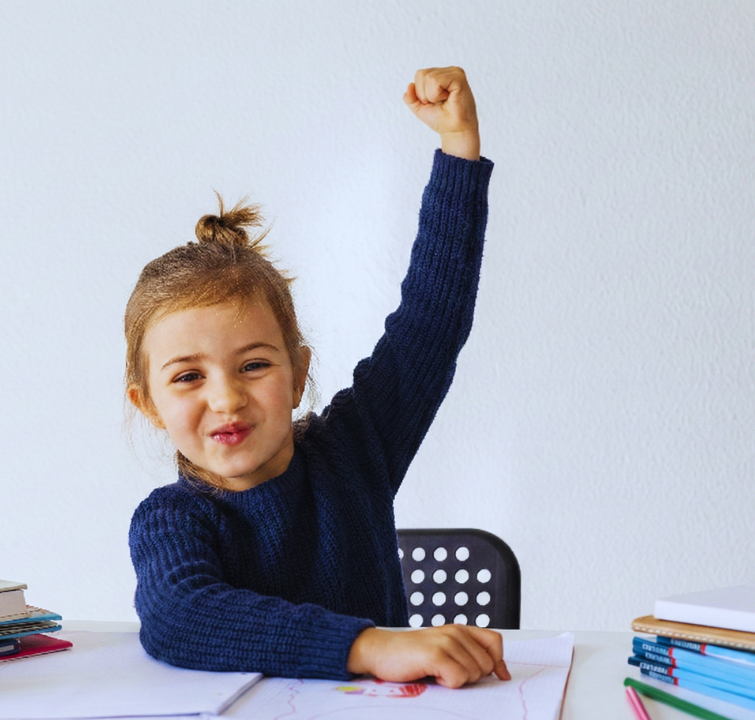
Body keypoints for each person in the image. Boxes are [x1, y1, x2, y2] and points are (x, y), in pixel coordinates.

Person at [124, 66, 510, 689]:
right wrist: (370, 645)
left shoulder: (357, 451)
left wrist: (458, 150)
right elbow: (177, 616)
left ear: (299, 373)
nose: (225, 397)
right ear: (148, 405)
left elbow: (429, 326)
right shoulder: (173, 520)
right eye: (188, 377)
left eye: (254, 365)